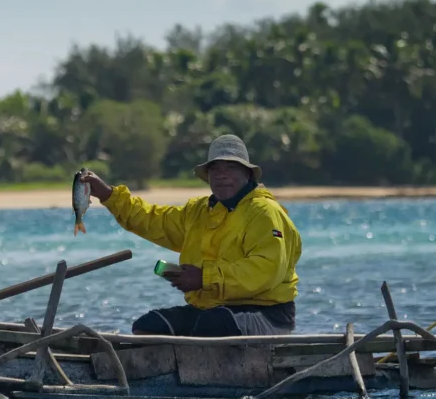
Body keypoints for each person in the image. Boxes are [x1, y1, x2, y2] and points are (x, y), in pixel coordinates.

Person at [80, 134, 302, 337]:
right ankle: (164, 379)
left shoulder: (264, 212)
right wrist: (108, 195)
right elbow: (152, 220)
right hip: (211, 309)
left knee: (211, 325)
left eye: (231, 167)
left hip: (267, 314)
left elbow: (266, 270)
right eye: (215, 168)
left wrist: (203, 278)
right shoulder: (198, 211)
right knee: (149, 325)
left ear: (247, 173)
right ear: (208, 176)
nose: (222, 175)